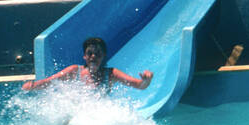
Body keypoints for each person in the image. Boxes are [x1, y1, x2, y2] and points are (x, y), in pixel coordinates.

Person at [21, 36, 152, 93]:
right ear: (84, 56)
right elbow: (50, 81)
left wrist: (146, 80)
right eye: (90, 53)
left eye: (98, 53)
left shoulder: (111, 74)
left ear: (103, 56)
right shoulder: (74, 71)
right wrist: (33, 86)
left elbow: (139, 85)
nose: (93, 56)